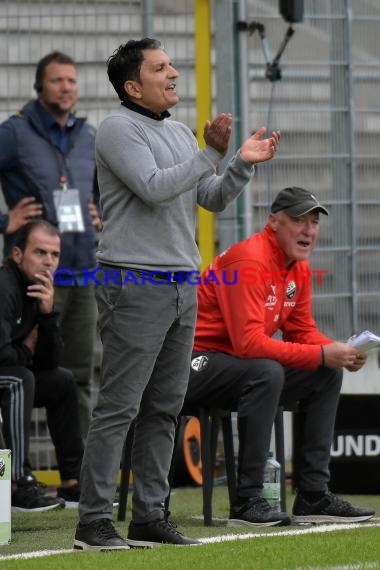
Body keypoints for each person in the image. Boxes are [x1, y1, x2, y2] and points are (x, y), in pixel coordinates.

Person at [74, 37, 280, 551]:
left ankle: (149, 517)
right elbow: (153, 185)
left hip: (182, 283)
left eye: (171, 65)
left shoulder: (178, 132)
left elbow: (205, 197)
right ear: (132, 85)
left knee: (164, 406)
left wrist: (240, 164)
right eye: (160, 67)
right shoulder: (117, 129)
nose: (172, 74)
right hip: (134, 282)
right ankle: (93, 522)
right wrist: (210, 152)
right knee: (119, 407)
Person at [184, 186, 375, 527]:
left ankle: (313, 494)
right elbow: (248, 345)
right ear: (273, 222)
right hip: (194, 362)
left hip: (240, 367)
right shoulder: (250, 260)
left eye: (314, 222)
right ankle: (247, 501)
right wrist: (320, 353)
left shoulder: (298, 267)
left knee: (326, 373)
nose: (308, 230)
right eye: (299, 221)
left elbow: (301, 332)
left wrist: (339, 352)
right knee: (267, 371)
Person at [0, 51, 100, 439]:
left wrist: (100, 212)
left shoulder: (88, 136)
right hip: (33, 281)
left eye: (71, 80)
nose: (66, 87)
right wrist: (4, 221)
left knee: (80, 379)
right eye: (57, 80)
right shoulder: (14, 132)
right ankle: (17, 477)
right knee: (20, 376)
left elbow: (100, 191)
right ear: (40, 86)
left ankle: (82, 480)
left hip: (82, 276)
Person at [0, 220, 84, 511]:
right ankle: (18, 481)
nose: (48, 261)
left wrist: (47, 315)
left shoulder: (39, 289)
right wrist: (26, 349)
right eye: (40, 253)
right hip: (8, 375)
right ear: (18, 254)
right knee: (19, 379)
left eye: (54, 254)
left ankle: (73, 482)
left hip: (12, 372)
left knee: (61, 382)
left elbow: (48, 362)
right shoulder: (5, 286)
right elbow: (3, 356)